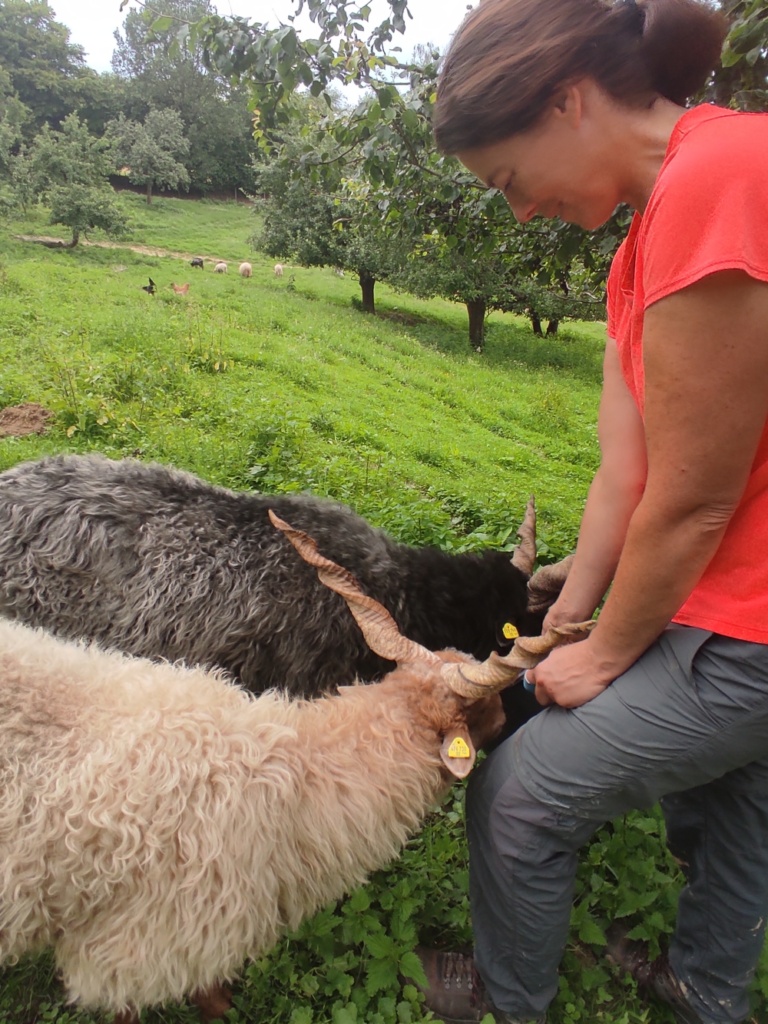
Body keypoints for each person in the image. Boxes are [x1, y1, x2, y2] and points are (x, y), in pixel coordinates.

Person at [416, 1, 768, 1022]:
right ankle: (706, 989)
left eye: (510, 180)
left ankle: (505, 1000)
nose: (519, 212)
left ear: (568, 101)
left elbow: (696, 497)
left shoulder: (723, 176)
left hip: (744, 630)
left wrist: (603, 650)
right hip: (717, 603)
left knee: (517, 790)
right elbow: (631, 470)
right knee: (731, 796)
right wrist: (589, 570)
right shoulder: (644, 243)